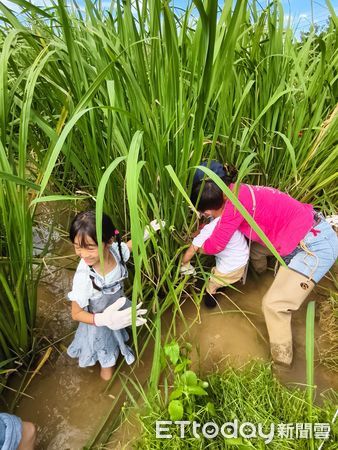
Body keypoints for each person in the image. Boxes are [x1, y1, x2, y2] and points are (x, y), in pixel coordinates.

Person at [190, 160, 338, 366]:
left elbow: (215, 245)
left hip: (314, 245)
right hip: (295, 231)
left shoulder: (233, 206)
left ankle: (283, 366)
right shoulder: (237, 191)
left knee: (273, 306)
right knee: (255, 252)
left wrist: (194, 245)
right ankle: (262, 281)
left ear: (221, 193)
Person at [67, 210, 151, 380]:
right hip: (98, 322)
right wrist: (104, 320)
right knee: (107, 360)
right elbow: (76, 313)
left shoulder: (115, 252)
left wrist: (148, 232)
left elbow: (128, 246)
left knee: (124, 331)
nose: (83, 254)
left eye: (90, 248)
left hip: (118, 305)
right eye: (77, 247)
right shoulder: (84, 277)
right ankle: (103, 392)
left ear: (109, 242)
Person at [180, 173, 249, 307]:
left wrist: (183, 264)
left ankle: (210, 304)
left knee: (210, 288)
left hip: (231, 267)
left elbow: (190, 252)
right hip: (242, 257)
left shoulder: (210, 228)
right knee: (224, 279)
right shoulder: (230, 212)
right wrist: (194, 234)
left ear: (207, 212)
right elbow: (203, 230)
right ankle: (224, 285)